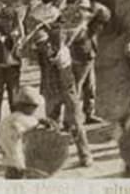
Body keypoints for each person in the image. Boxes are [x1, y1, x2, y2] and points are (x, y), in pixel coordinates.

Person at [36, 25, 91, 167]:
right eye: (42, 45)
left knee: (76, 123)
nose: (45, 46)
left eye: (46, 43)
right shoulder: (42, 52)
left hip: (67, 89)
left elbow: (66, 34)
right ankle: (51, 159)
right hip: (51, 91)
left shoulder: (63, 52)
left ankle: (85, 156)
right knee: (51, 126)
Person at [0, 86, 45, 179]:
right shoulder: (28, 121)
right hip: (22, 163)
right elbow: (36, 133)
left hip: (9, 162)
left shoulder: (7, 119)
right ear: (30, 107)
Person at [0, 19, 23, 139]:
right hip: (5, 68)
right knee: (5, 101)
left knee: (8, 101)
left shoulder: (16, 29)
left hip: (7, 68)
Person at [70, 16, 102, 124]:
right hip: (79, 63)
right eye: (99, 24)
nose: (101, 27)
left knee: (90, 89)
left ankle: (89, 114)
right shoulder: (81, 32)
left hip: (89, 63)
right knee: (76, 91)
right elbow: (71, 44)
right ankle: (74, 118)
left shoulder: (93, 34)